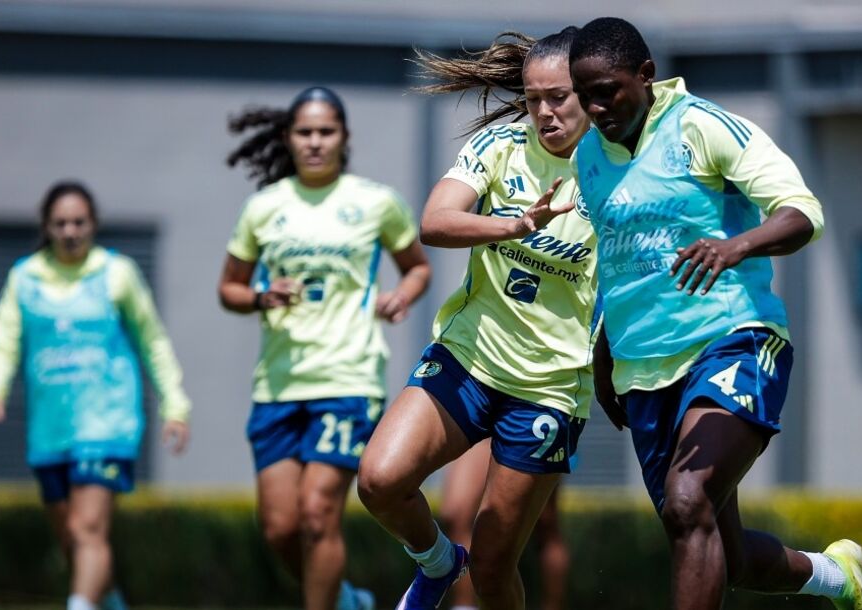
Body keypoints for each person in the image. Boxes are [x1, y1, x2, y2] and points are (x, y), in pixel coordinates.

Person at [569, 17, 862, 610]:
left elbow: (801, 212)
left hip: (735, 340)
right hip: (645, 372)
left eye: (607, 91)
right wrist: (603, 357)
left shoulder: (702, 127)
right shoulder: (588, 157)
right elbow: (614, 262)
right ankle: (836, 576)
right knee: (720, 553)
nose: (597, 107)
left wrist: (735, 246)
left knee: (688, 501)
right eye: (586, 96)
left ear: (646, 76)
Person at [356, 28, 596, 610]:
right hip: (468, 358)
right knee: (379, 481)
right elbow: (435, 221)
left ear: (589, 92)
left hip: (549, 389)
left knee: (494, 567)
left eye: (558, 96)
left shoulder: (618, 171)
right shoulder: (500, 146)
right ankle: (438, 564)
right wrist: (514, 225)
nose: (544, 111)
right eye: (534, 97)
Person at [220, 86, 431, 610]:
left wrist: (400, 295)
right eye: (305, 132)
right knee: (280, 530)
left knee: (318, 514)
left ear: (344, 137)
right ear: (289, 138)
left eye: (326, 131)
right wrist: (261, 297)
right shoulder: (264, 208)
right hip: (278, 384)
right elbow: (229, 288)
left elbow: (418, 267)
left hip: (347, 379)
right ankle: (347, 600)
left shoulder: (375, 202)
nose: (315, 142)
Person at [0, 181, 192, 610]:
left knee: (87, 528)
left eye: (79, 221)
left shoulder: (116, 274)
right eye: (60, 222)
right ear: (46, 226)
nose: (70, 230)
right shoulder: (24, 278)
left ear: (94, 224)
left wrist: (174, 403)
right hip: (50, 430)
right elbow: (4, 341)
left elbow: (152, 339)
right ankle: (109, 601)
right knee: (71, 539)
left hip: (107, 424)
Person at [439, 441, 570, 610]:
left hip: (532, 423)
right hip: (484, 427)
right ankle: (464, 606)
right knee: (456, 514)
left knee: (546, 525)